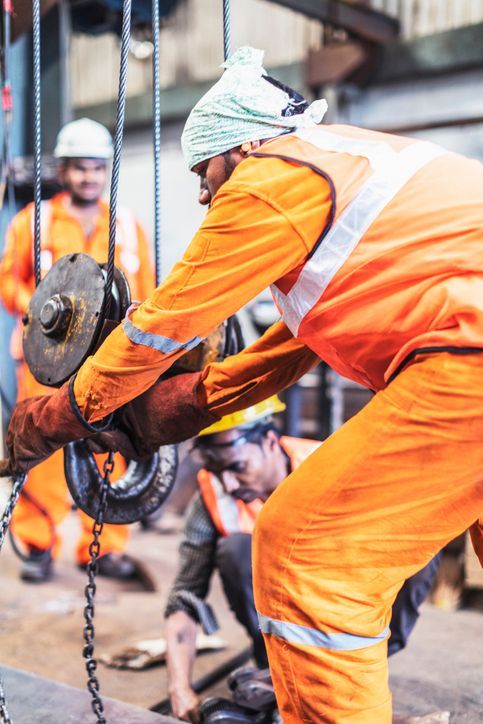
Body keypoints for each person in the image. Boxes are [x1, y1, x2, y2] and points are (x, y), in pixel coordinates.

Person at [3, 47, 483, 722]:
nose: (202, 192)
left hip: (467, 354)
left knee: (305, 554)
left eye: (204, 171)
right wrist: (189, 403)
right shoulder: (344, 166)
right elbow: (289, 350)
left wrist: (48, 422)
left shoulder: (270, 179)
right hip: (460, 343)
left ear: (247, 144)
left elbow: (157, 327)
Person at [165, 397, 442, 722]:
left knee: (419, 555)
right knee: (238, 550)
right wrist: (179, 688)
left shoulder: (331, 466)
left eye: (237, 467)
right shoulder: (215, 493)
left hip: (345, 599)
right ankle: (275, 672)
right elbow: (185, 596)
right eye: (216, 469)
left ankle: (354, 669)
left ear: (269, 441)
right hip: (279, 630)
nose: (229, 483)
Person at [0, 118, 154, 583]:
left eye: (96, 168)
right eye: (79, 168)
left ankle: (102, 547)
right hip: (46, 359)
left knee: (110, 446)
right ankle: (36, 541)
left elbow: (146, 290)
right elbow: (9, 280)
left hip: (109, 361)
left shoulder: (126, 225)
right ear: (63, 171)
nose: (88, 177)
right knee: (40, 444)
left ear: (105, 170)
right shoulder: (35, 221)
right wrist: (45, 310)